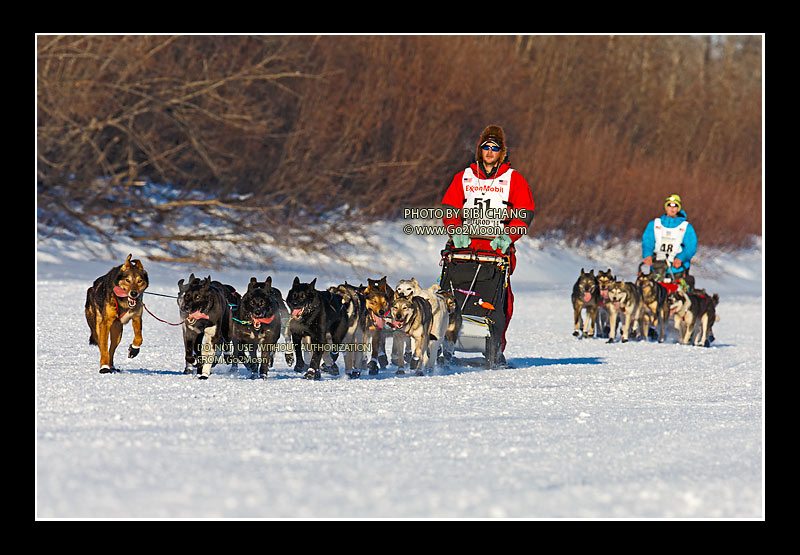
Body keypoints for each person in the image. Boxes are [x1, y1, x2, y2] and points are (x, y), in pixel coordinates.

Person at [440, 125, 535, 358]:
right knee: (448, 295)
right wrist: (455, 231)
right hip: (465, 246)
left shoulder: (513, 179)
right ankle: (444, 341)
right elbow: (449, 208)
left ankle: (495, 347)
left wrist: (508, 237)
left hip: (496, 248)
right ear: (479, 150)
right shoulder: (464, 176)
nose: (489, 151)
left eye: (494, 147)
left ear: (501, 152)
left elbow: (524, 213)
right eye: (486, 147)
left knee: (502, 302)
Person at [641, 193, 697, 289]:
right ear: (666, 207)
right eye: (669, 205)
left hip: (678, 268)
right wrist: (647, 255)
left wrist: (681, 258)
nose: (672, 208)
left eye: (675, 205)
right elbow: (647, 241)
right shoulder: (654, 224)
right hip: (657, 266)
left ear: (678, 208)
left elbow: (691, 246)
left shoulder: (686, 227)